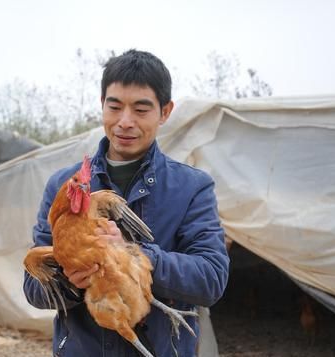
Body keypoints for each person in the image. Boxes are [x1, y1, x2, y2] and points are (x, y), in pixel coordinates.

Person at [23, 49, 230, 356]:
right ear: (102, 105)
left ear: (165, 111)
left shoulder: (192, 187)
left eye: (141, 109)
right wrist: (69, 280)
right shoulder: (65, 187)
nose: (125, 122)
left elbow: (210, 279)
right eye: (115, 106)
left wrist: (135, 257)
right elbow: (33, 289)